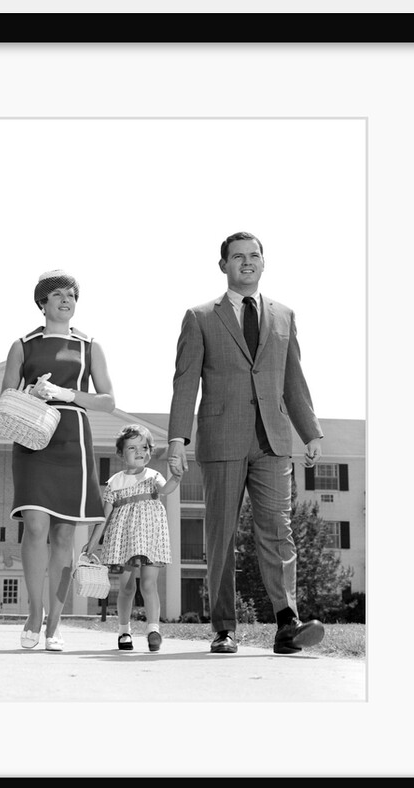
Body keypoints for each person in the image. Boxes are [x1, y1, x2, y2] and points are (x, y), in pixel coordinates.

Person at [167, 231, 325, 655]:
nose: (248, 262)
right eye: (238, 257)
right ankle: (224, 627)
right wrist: (177, 440)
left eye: (254, 255)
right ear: (224, 266)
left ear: (263, 262)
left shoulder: (284, 315)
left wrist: (310, 431)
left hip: (273, 441)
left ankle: (287, 623)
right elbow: (185, 383)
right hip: (221, 441)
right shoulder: (200, 317)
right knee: (220, 537)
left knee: (278, 530)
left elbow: (293, 379)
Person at [0, 269, 115, 651]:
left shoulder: (89, 348)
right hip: (33, 437)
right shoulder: (23, 345)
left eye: (72, 296)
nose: (67, 301)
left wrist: (65, 393)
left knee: (64, 534)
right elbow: (5, 395)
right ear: (42, 302)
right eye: (59, 295)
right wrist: (34, 393)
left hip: (72, 440)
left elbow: (108, 402)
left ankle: (55, 623)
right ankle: (34, 612)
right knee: (35, 526)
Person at [84, 424, 181, 652]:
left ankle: (153, 629)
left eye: (145, 447)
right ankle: (124, 630)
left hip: (150, 537)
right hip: (124, 539)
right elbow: (105, 516)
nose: (140, 451)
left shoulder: (153, 475)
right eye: (132, 448)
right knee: (127, 588)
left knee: (149, 584)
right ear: (120, 454)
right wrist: (91, 545)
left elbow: (166, 490)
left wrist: (177, 475)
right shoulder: (115, 482)